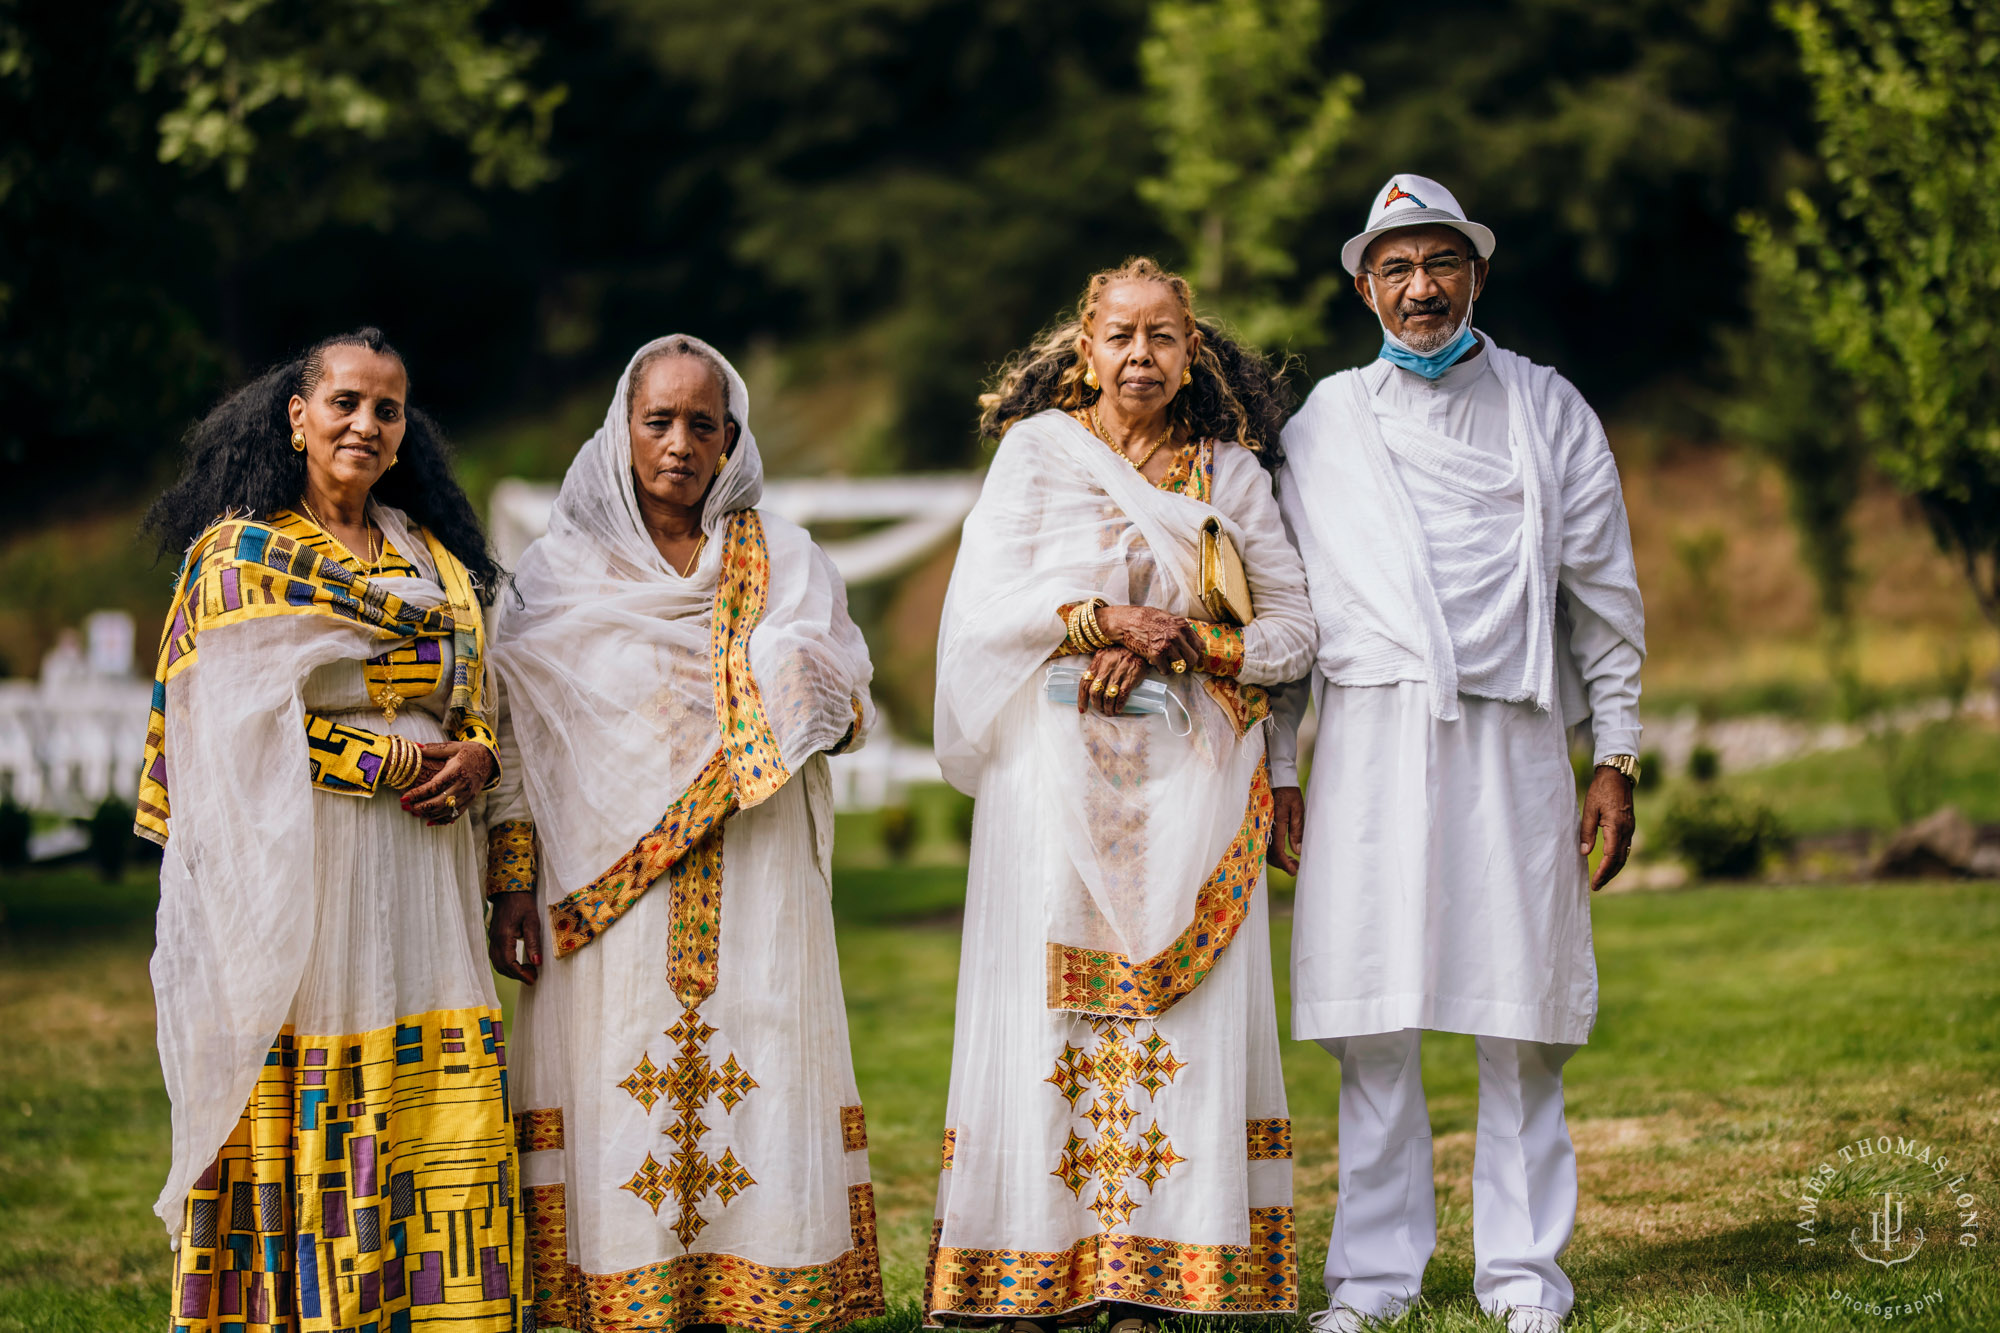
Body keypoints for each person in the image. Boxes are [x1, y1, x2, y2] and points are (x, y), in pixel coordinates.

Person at [1269, 175, 1646, 1333]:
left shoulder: (1546, 407)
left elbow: (1603, 597)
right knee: (1371, 1020)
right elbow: (1287, 619)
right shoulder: (1320, 422)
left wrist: (1615, 754)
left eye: (1439, 263)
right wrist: (1280, 772)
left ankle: (1523, 1278)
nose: (1418, 287)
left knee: (1517, 1019)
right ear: (1361, 284)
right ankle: (1370, 1282)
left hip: (1514, 736)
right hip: (1367, 744)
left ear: (1475, 274)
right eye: (1395, 267)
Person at [927, 258, 1317, 1331]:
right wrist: (1097, 618)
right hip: (1049, 783)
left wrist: (1182, 641)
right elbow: (980, 616)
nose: (1138, 355)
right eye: (1118, 335)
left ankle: (1160, 1273)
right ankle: (1041, 1272)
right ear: (1082, 347)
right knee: (1052, 1009)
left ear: (1190, 353)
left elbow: (1290, 634)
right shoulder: (1036, 456)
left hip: (1190, 790)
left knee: (1171, 1016)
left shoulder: (1227, 478)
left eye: (1160, 336)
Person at [483, 335, 885, 1332]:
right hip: (595, 893)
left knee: (760, 1059)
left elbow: (844, 695)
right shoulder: (555, 572)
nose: (678, 442)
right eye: (657, 420)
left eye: (701, 424)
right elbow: (518, 734)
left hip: (753, 874)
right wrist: (511, 880)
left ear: (730, 440)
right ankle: (615, 1294)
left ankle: (763, 1288)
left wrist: (802, 676)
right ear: (622, 432)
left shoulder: (781, 556)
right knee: (613, 1075)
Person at [138, 328, 520, 1328]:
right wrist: (383, 758)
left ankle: (441, 1310)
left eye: (386, 409)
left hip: (424, 864)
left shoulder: (427, 553)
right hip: (302, 862)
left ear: (404, 434)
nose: (366, 423)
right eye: (345, 401)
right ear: (296, 416)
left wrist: (472, 751)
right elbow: (222, 723)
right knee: (314, 1068)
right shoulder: (241, 556)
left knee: (424, 1081)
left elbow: (473, 689)